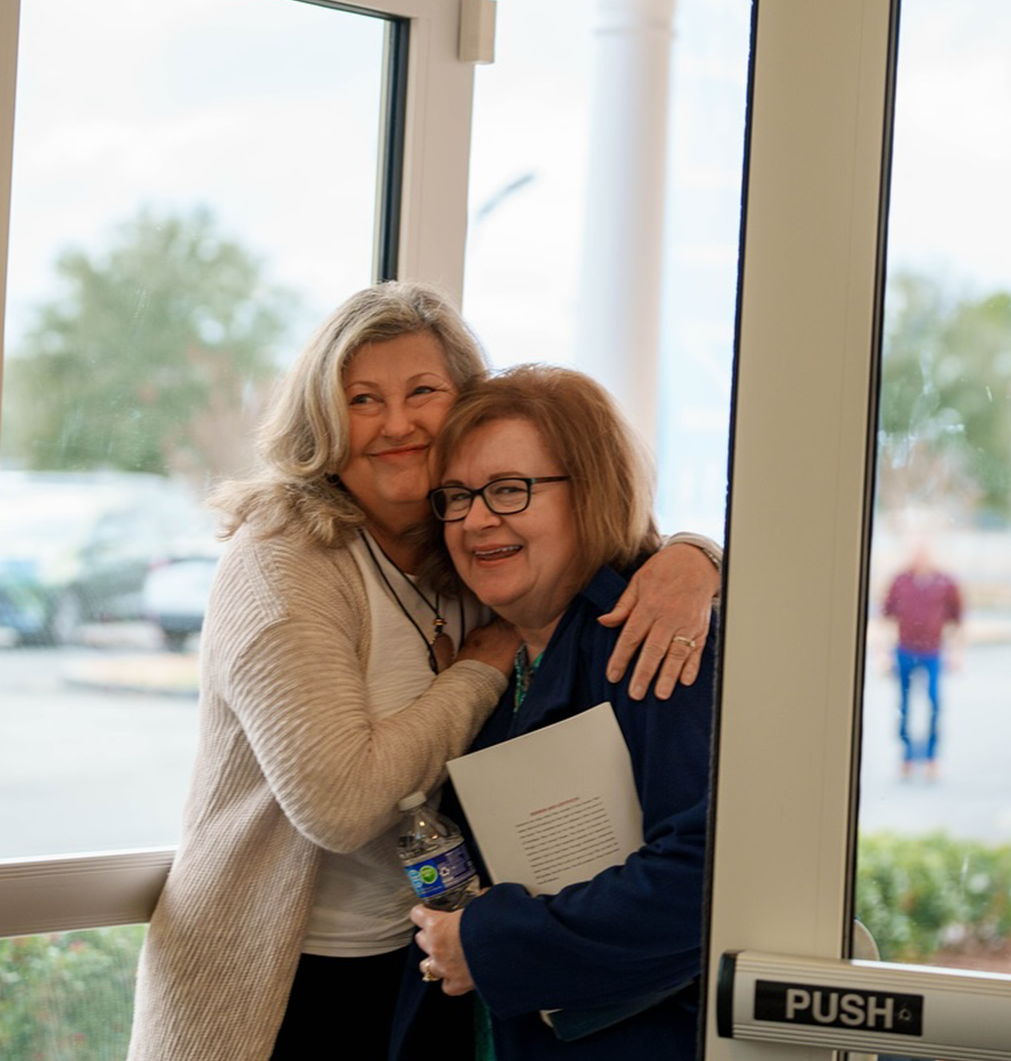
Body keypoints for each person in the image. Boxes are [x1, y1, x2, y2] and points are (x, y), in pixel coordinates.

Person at [127, 284, 724, 1061]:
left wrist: (700, 558)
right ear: (325, 421)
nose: (396, 422)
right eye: (362, 399)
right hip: (282, 981)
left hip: (432, 973)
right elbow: (339, 803)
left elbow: (607, 524)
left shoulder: (480, 570)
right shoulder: (286, 561)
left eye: (423, 392)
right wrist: (473, 675)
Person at [396, 364, 717, 1061]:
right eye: (458, 496)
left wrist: (485, 944)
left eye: (511, 490)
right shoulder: (495, 648)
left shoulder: (659, 636)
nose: (478, 519)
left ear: (592, 492)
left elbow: (703, 879)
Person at [881, 539, 963, 781]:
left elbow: (957, 620)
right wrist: (883, 653)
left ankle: (930, 757)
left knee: (935, 702)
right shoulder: (900, 581)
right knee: (904, 704)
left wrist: (957, 652)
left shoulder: (945, 582)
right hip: (904, 650)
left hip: (933, 652)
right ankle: (907, 755)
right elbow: (887, 618)